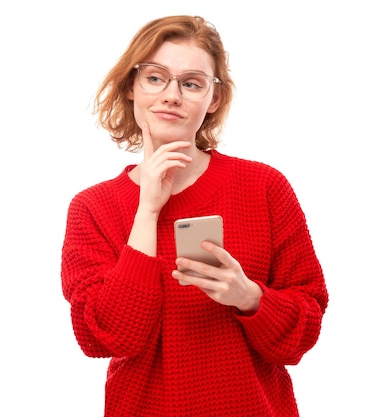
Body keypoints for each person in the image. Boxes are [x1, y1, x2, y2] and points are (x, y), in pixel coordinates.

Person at [60, 15, 328, 417]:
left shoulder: (264, 186)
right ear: (132, 87)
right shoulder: (92, 207)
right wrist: (147, 210)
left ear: (213, 99)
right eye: (155, 78)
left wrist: (250, 298)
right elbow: (109, 338)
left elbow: (303, 333)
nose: (171, 95)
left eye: (190, 83)